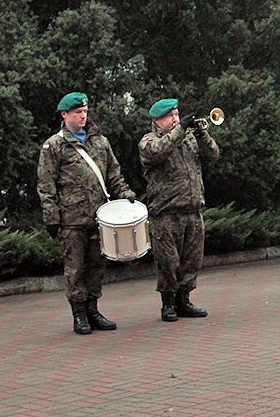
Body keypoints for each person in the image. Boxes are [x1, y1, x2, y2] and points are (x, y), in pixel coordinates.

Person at [37, 92, 136, 335]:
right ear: (64, 115)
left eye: (84, 112)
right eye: (77, 113)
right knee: (75, 268)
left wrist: (125, 193)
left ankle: (93, 310)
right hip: (71, 220)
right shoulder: (55, 145)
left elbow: (113, 174)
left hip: (100, 216)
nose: (83, 116)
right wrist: (52, 217)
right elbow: (46, 184)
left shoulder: (100, 142)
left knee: (96, 266)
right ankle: (79, 314)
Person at [139, 99, 219, 321]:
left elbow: (213, 155)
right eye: (170, 116)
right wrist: (181, 130)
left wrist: (202, 135)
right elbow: (157, 152)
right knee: (168, 262)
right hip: (167, 212)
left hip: (193, 209)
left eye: (177, 115)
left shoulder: (189, 139)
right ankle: (168, 303)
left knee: (192, 260)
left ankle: (184, 299)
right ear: (157, 120)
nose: (175, 119)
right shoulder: (149, 140)